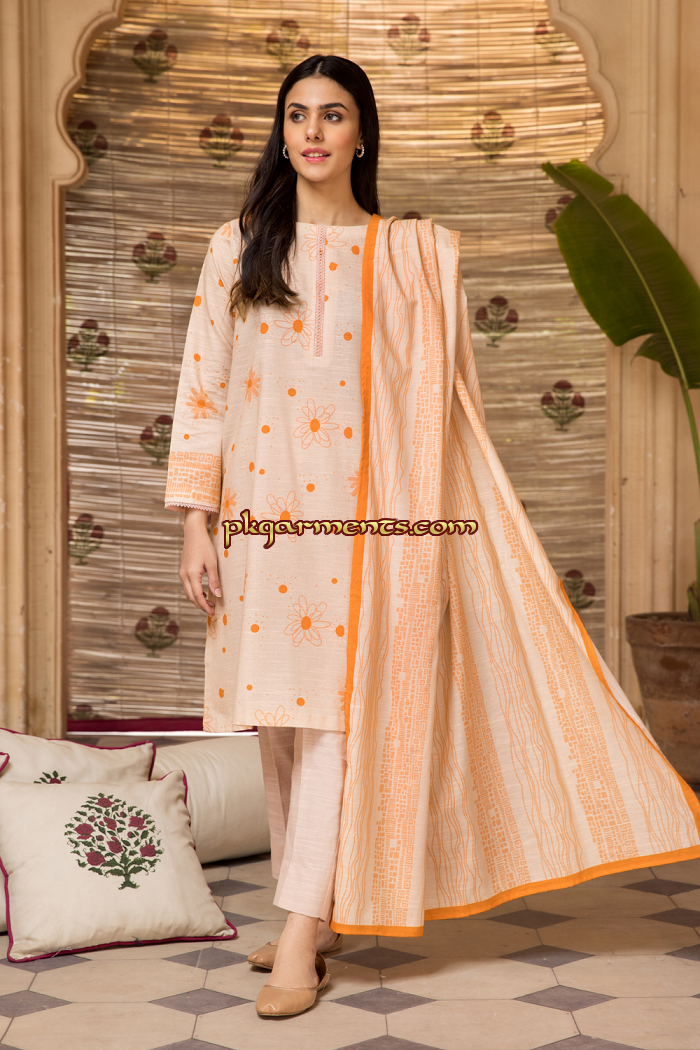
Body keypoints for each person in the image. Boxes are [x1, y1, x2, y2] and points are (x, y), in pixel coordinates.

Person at [166, 53, 700, 1021]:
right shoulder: (236, 247)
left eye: (333, 114)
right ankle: (316, 906)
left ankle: (298, 934)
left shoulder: (408, 253)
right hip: (261, 523)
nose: (313, 132)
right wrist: (197, 526)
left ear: (362, 133)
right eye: (297, 114)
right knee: (283, 720)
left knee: (335, 720)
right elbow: (202, 390)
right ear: (280, 132)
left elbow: (445, 408)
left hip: (372, 528)